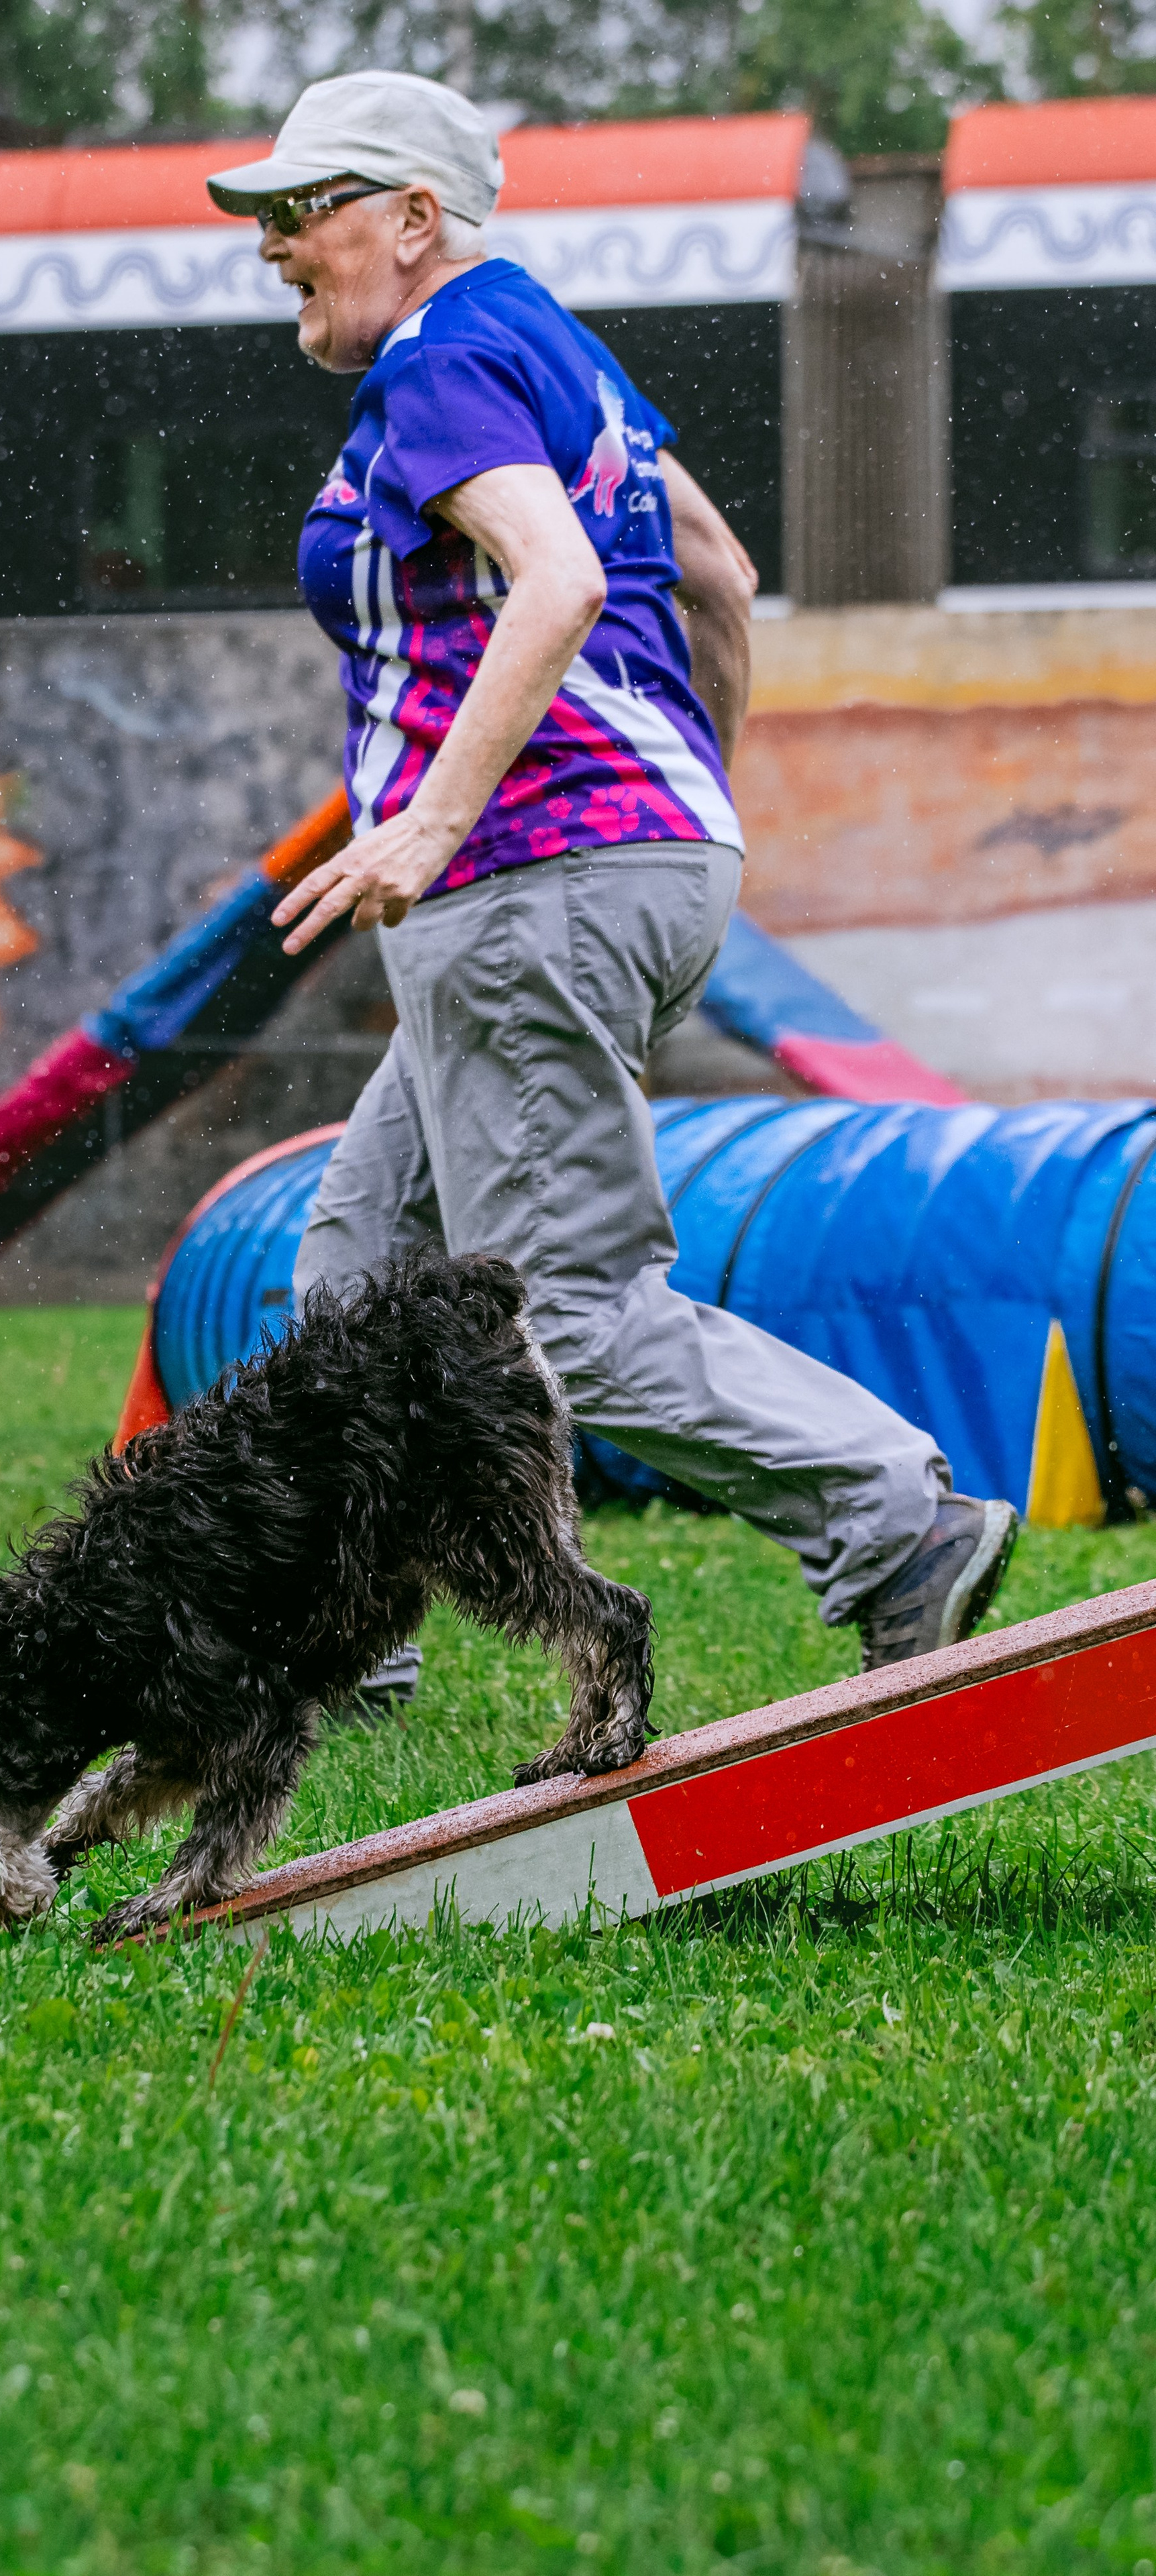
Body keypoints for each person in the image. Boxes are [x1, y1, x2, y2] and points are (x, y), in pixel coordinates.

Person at [205, 73, 1016, 1688]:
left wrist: (436, 823)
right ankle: (339, 1629)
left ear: (412, 221)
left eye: (306, 213)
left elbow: (560, 580)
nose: (276, 247)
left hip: (528, 875)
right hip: (613, 860)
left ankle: (889, 1519)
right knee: (359, 1269)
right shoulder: (561, 355)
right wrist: (687, 804)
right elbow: (712, 570)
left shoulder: (441, 365)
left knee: (564, 1311)